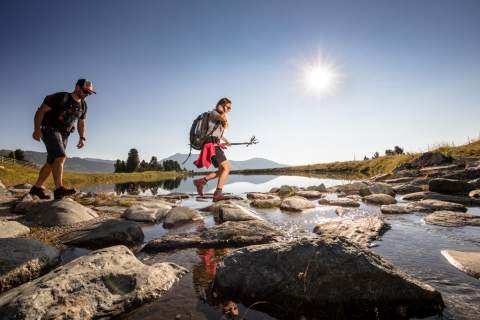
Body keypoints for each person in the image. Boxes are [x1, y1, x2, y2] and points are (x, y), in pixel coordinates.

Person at [29, 79, 96, 200]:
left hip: (64, 134)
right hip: (49, 128)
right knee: (60, 156)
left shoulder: (83, 106)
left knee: (51, 162)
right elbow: (41, 111)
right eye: (86, 91)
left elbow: (81, 123)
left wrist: (82, 137)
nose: (87, 94)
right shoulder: (62, 97)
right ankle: (59, 189)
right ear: (77, 87)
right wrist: (36, 130)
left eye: (90, 93)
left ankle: (36, 188)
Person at [193, 98, 232, 202]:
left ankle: (201, 181)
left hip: (214, 144)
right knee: (227, 168)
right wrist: (224, 116)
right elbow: (219, 119)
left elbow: (216, 133)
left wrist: (225, 140)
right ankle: (217, 194)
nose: (229, 109)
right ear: (222, 105)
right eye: (228, 107)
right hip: (211, 145)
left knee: (222, 170)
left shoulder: (219, 115)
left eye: (230, 108)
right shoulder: (213, 113)